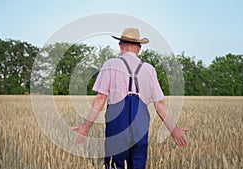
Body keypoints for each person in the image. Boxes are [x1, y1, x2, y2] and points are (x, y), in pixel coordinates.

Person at [71, 28, 188, 169]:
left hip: (117, 121)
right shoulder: (149, 69)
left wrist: (86, 126)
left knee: (116, 163)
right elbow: (160, 103)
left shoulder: (110, 65)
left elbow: (101, 98)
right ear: (139, 48)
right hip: (141, 123)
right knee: (138, 163)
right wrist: (174, 130)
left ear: (120, 46)